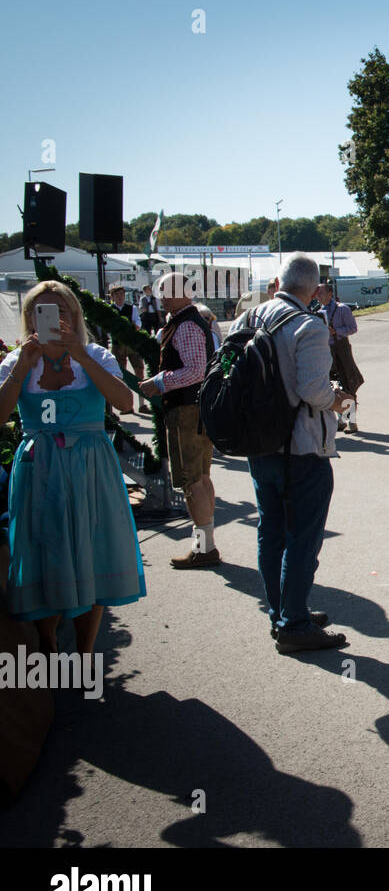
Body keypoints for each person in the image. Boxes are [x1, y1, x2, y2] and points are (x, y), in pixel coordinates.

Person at [0, 282, 145, 654]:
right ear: (29, 317)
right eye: (43, 312)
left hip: (89, 466)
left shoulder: (94, 354)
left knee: (91, 552)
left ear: (75, 316)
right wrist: (22, 366)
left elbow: (126, 402)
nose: (54, 319)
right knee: (41, 553)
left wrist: (80, 355)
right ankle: (47, 642)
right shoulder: (16, 361)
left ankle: (83, 651)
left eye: (62, 311)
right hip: (38, 468)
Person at [231, 253, 352, 654]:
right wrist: (337, 400)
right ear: (315, 291)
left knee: (271, 532)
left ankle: (282, 611)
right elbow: (313, 391)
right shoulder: (308, 325)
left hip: (258, 443)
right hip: (301, 447)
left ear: (278, 282)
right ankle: (294, 623)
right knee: (302, 538)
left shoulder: (246, 320)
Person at [138, 272, 221, 569]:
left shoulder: (185, 324)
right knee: (202, 478)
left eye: (164, 290)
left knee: (192, 481)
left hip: (187, 411)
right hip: (195, 409)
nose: (160, 296)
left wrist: (157, 382)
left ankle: (204, 548)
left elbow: (195, 371)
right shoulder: (190, 320)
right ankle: (206, 545)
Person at [319, 283, 363, 434]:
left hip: (342, 350)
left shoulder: (342, 309)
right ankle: (341, 419)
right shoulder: (318, 312)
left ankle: (352, 422)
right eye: (317, 293)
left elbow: (353, 328)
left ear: (330, 293)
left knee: (348, 383)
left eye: (322, 293)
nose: (319, 296)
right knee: (333, 385)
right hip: (326, 351)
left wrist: (335, 331)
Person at [106, 283, 149, 412]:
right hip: (118, 344)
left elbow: (138, 322)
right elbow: (107, 328)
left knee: (139, 371)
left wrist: (135, 326)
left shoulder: (132, 308)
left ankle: (142, 404)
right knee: (119, 374)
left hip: (131, 344)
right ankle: (125, 405)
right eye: (117, 295)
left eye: (122, 294)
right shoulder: (109, 309)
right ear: (112, 297)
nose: (120, 297)